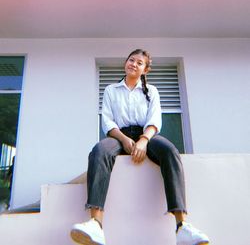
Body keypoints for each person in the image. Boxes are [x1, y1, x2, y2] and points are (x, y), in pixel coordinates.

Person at [70, 49, 209, 245]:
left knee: (170, 151)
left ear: (145, 70)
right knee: (99, 151)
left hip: (147, 134)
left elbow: (154, 120)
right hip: (119, 135)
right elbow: (108, 121)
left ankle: (182, 226)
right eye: (131, 60)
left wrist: (143, 140)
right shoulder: (111, 90)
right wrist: (124, 139)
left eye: (139, 63)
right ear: (125, 63)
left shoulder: (151, 91)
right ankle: (95, 223)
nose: (133, 64)